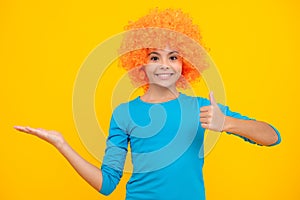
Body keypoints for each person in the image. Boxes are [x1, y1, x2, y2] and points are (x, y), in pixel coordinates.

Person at [14, 8, 281, 200]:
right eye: (155, 57)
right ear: (141, 64)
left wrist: (227, 123)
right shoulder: (124, 114)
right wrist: (61, 143)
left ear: (184, 65)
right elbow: (107, 185)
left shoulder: (202, 108)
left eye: (173, 57)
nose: (164, 64)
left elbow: (272, 137)